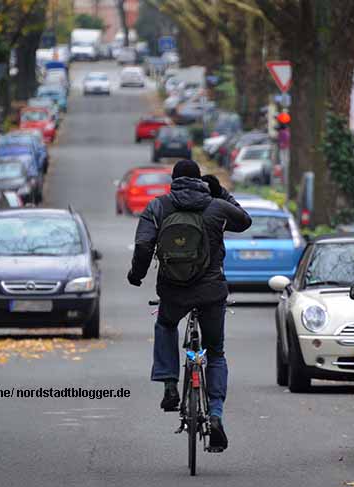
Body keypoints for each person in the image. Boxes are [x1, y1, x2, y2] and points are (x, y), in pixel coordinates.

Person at [127, 159, 252, 452]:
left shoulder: (159, 207)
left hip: (174, 292)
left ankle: (170, 384)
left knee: (166, 324)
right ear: (200, 180)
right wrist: (221, 193)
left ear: (173, 179)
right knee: (216, 352)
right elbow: (244, 221)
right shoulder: (216, 206)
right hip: (211, 292)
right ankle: (217, 415)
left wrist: (137, 275)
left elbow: (144, 245)